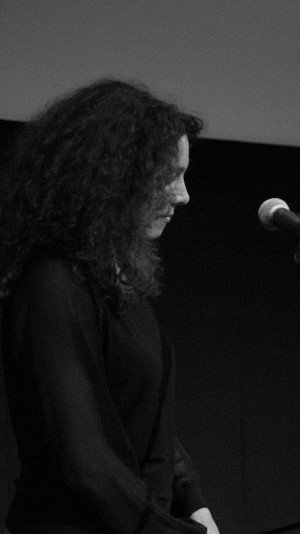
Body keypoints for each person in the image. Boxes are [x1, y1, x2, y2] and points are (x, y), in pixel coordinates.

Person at [0, 80, 220, 533]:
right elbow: (86, 466)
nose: (183, 195)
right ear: (114, 176)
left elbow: (144, 421)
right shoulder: (53, 285)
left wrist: (192, 501)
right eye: (168, 176)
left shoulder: (118, 276)